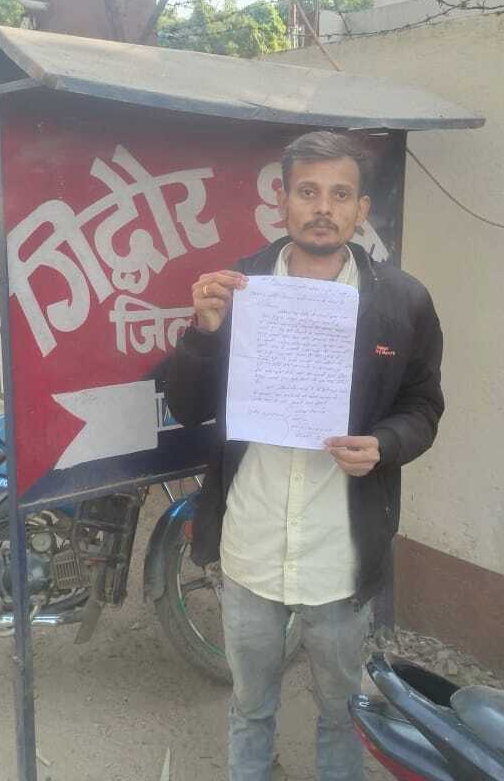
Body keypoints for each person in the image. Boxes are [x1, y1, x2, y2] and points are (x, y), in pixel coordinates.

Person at [164, 131, 444, 781]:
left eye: (340, 194)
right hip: (251, 547)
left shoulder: (402, 302)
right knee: (250, 706)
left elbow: (423, 407)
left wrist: (384, 445)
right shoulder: (238, 289)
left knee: (342, 711)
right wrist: (201, 334)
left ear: (361, 209)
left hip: (337, 557)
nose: (323, 207)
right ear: (282, 200)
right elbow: (187, 407)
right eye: (308, 191)